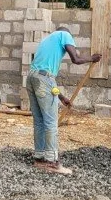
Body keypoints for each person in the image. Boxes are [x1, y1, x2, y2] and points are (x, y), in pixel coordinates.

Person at [25, 26, 101, 175]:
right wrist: (92, 58)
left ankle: (40, 158)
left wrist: (61, 97)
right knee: (50, 122)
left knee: (39, 120)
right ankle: (52, 162)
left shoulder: (47, 40)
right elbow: (76, 59)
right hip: (43, 79)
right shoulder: (64, 35)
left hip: (31, 78)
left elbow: (45, 78)